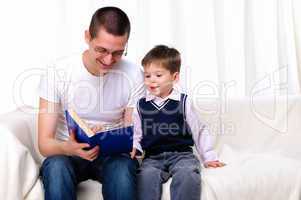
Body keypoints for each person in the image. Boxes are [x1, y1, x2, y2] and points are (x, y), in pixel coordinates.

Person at [38, 7, 144, 200]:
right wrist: (67, 148)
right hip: (68, 155)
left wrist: (127, 140)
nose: (109, 60)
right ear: (88, 37)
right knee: (56, 166)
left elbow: (131, 133)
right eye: (101, 50)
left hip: (112, 157)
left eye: (118, 52)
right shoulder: (58, 72)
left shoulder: (134, 73)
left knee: (122, 169)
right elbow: (44, 143)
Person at [130, 45, 225, 200]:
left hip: (182, 155)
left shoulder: (183, 102)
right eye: (147, 76)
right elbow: (137, 134)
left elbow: (198, 130)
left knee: (187, 174)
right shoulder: (140, 105)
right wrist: (136, 147)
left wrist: (208, 156)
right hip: (153, 157)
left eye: (158, 75)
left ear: (174, 78)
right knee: (145, 177)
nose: (151, 80)